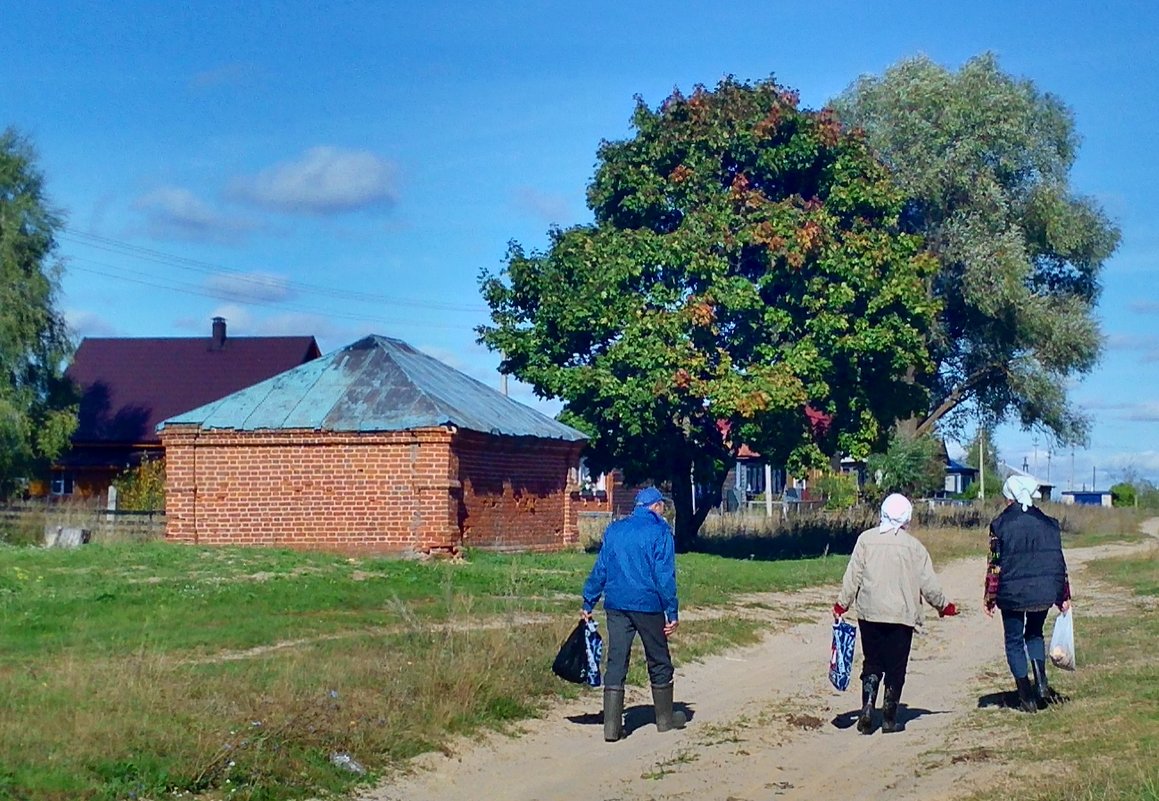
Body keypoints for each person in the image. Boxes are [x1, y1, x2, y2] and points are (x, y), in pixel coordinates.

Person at [833, 493, 958, 734]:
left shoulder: (866, 540)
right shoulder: (914, 547)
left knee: (872, 661)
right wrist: (944, 606)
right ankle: (889, 718)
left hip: (870, 614)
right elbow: (929, 584)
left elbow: (853, 576)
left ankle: (868, 706)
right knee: (896, 666)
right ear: (906, 517)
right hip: (902, 617)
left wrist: (842, 604)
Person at [581, 486, 684, 742]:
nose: (664, 511)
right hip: (648, 605)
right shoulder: (661, 532)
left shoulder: (615, 530)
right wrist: (671, 611)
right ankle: (664, 719)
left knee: (617, 660)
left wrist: (588, 600)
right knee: (658, 658)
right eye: (662, 507)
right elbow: (664, 577)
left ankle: (612, 728)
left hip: (616, 605)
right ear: (656, 506)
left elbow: (601, 568)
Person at [984, 475, 1071, 712]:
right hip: (1043, 592)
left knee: (1013, 641)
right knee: (1034, 634)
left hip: (1011, 594)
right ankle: (1041, 682)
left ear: (1009, 497)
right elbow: (1058, 562)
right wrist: (1063, 595)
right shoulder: (1050, 523)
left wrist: (990, 597)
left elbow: (995, 564)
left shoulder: (1000, 524)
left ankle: (1026, 695)